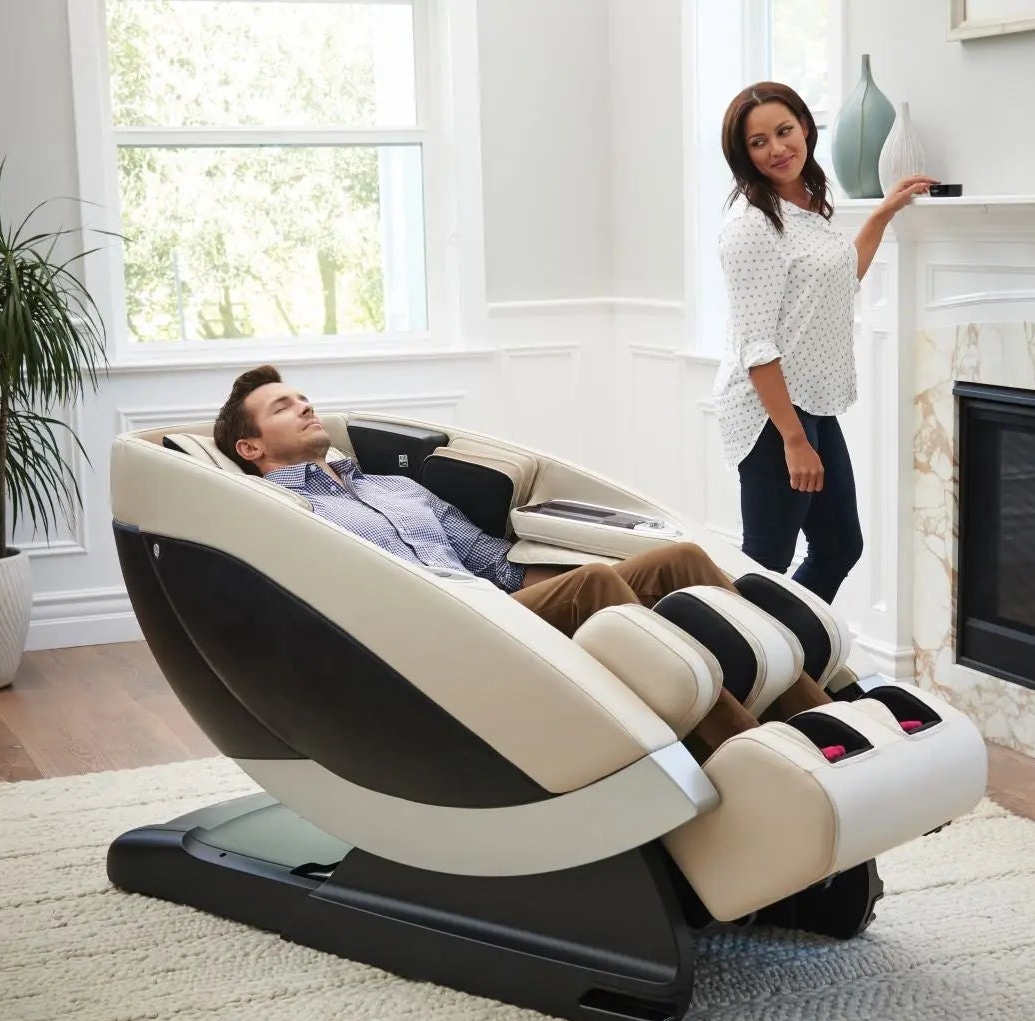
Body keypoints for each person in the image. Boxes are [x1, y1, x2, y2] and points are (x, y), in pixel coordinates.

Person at [212, 364, 836, 753]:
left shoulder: (393, 486)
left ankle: (826, 721)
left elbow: (494, 562)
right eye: (282, 407)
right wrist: (592, 586)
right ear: (250, 448)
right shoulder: (286, 514)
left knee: (679, 560)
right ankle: (750, 750)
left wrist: (588, 574)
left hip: (501, 607)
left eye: (302, 397)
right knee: (597, 587)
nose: (304, 406)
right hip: (440, 636)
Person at [713, 81, 934, 604]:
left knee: (839, 545)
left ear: (806, 128)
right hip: (770, 414)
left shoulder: (808, 206)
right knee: (766, 560)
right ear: (743, 155)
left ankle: (790, 645)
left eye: (784, 131)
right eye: (758, 142)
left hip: (812, 402)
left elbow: (842, 278)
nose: (777, 149)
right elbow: (756, 347)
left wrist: (882, 212)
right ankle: (739, 651)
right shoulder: (750, 227)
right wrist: (793, 440)